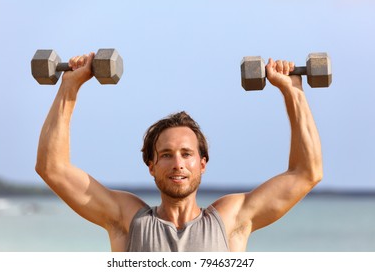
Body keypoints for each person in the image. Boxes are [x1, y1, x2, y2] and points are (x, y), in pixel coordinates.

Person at [35, 52, 323, 252]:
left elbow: (306, 173)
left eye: (187, 154)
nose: (178, 164)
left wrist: (293, 92)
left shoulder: (230, 220)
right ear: (151, 165)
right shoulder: (127, 220)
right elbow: (53, 168)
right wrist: (69, 88)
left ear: (202, 163)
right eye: (166, 154)